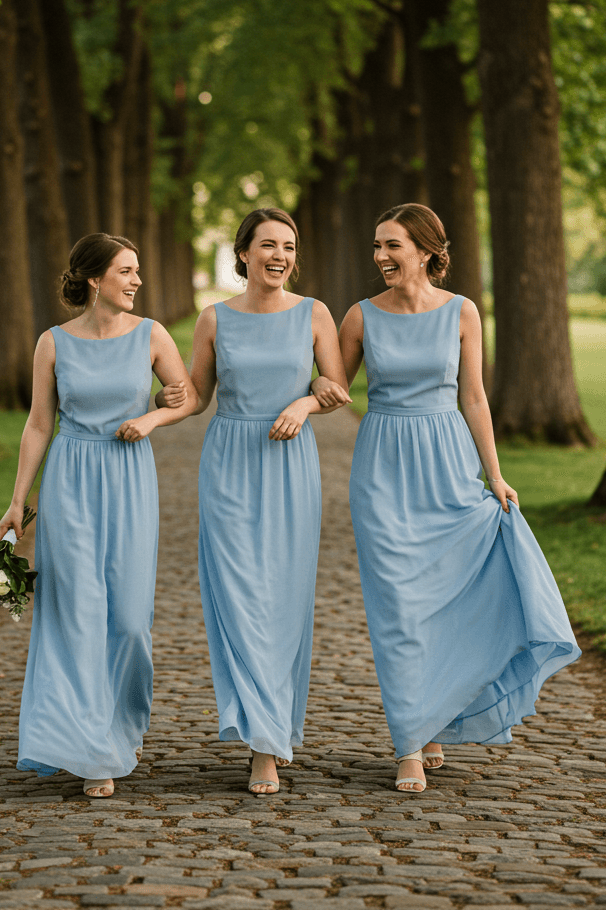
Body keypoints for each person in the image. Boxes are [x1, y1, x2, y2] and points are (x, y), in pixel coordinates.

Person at [313, 203, 580, 792]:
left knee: (444, 602)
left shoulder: (462, 312)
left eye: (393, 246)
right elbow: (332, 383)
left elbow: (475, 398)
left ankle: (434, 714)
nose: (381, 256)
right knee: (399, 609)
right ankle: (409, 741)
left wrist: (497, 474)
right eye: (378, 245)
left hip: (449, 463)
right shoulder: (360, 317)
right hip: (383, 465)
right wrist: (306, 395)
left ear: (427, 252)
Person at [0, 233, 196, 799]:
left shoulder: (152, 335)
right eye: (126, 271)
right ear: (95, 280)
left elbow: (183, 398)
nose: (136, 281)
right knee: (77, 612)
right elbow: (39, 423)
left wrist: (155, 417)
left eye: (137, 271)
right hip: (71, 477)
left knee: (130, 618)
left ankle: (122, 725)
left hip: (130, 477)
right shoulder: (53, 343)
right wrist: (19, 501)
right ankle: (91, 749)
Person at [171, 207, 349, 795]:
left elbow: (335, 387)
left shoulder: (315, 314)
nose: (281, 256)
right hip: (229, 463)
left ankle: (272, 731)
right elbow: (196, 398)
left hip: (290, 465)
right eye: (268, 244)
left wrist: (305, 403)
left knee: (283, 600)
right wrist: (151, 402)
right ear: (243, 253)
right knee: (239, 596)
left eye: (290, 246)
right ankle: (261, 744)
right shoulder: (214, 319)